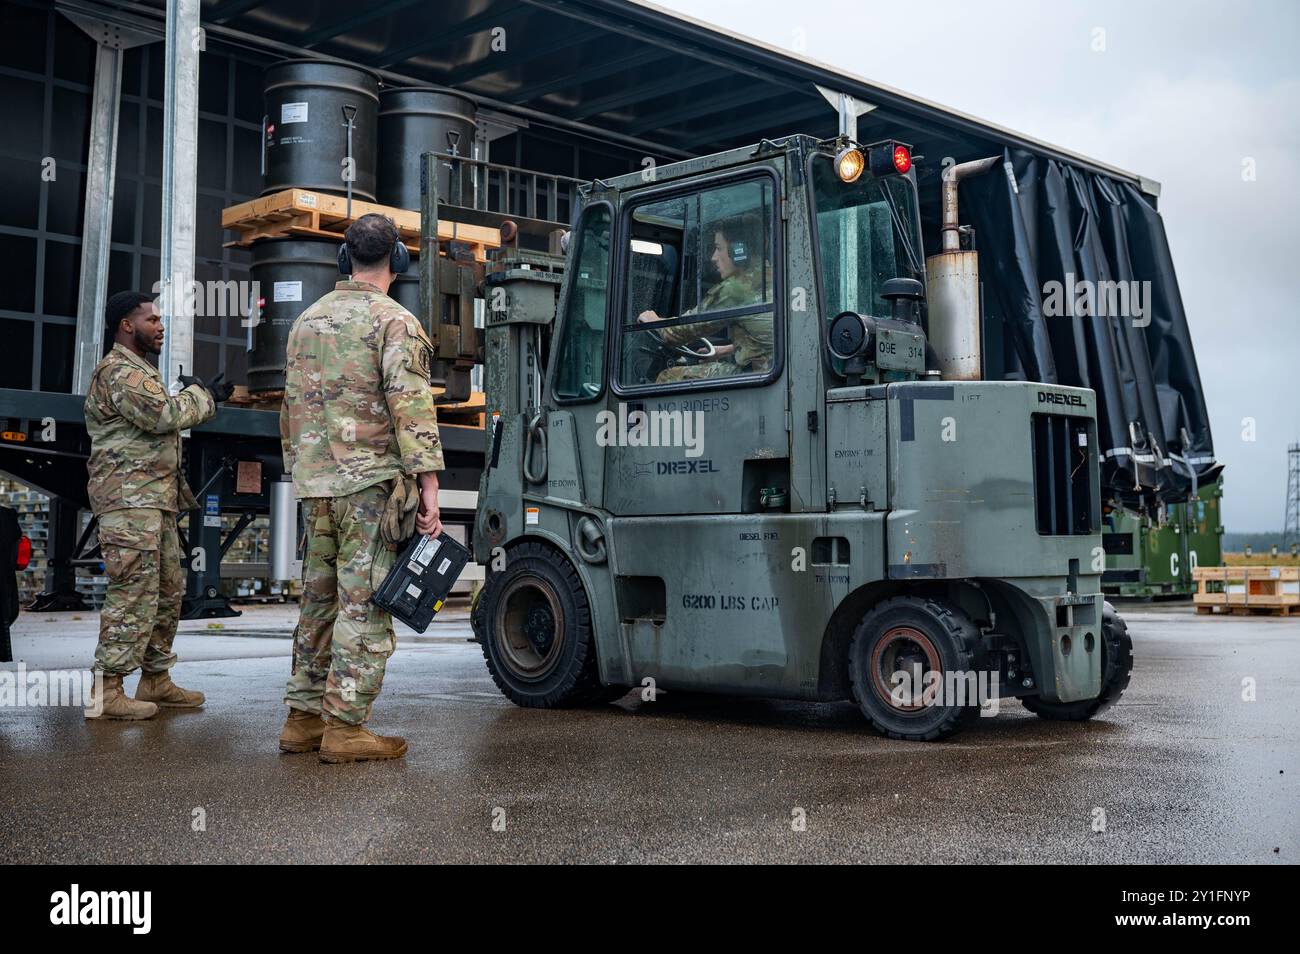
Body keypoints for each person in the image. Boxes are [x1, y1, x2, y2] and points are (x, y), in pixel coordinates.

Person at [278, 213, 444, 764]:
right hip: (369, 486)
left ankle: (303, 719)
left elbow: (291, 412)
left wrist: (304, 473)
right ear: (398, 260)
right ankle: (345, 726)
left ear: (344, 260)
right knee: (364, 605)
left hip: (316, 484)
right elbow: (412, 411)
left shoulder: (306, 321)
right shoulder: (396, 322)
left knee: (319, 600)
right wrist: (430, 492)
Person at [84, 290, 230, 719]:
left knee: (167, 592)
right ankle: (106, 689)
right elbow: (163, 415)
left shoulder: (139, 371)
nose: (160, 326)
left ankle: (156, 679)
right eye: (152, 319)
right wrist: (206, 396)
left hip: (154, 502)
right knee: (132, 594)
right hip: (129, 504)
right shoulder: (118, 372)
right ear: (127, 325)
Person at [637, 214, 773, 382]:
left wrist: (654, 321)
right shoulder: (774, 278)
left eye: (719, 248)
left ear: (739, 250)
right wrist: (726, 350)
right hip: (769, 370)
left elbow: (679, 333)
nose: (713, 257)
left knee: (667, 377)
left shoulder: (735, 289)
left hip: (758, 376)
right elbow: (767, 336)